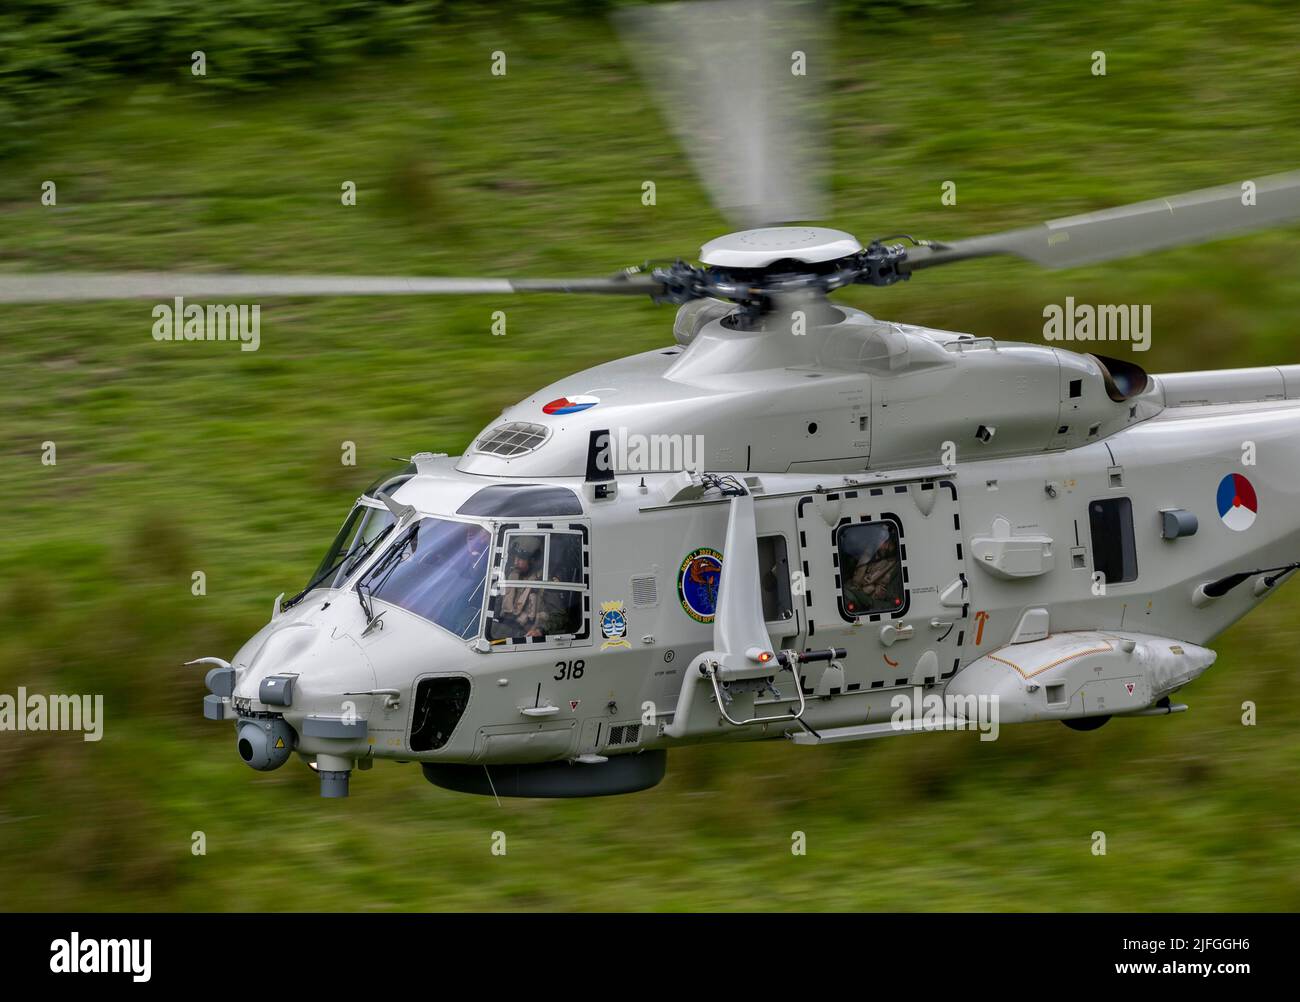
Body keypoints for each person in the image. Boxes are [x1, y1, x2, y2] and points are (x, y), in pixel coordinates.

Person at [496, 536, 545, 638]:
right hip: (502, 627)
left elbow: (557, 614)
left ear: (533, 561)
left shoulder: (544, 582)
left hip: (524, 634)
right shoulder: (511, 575)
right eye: (515, 557)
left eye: (521, 559)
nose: (515, 562)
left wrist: (540, 630)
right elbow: (497, 603)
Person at [847, 533, 902, 612]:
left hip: (873, 598)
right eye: (884, 542)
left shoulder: (889, 562)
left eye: (887, 543)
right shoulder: (873, 554)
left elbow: (865, 581)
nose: (884, 546)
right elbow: (859, 579)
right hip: (864, 594)